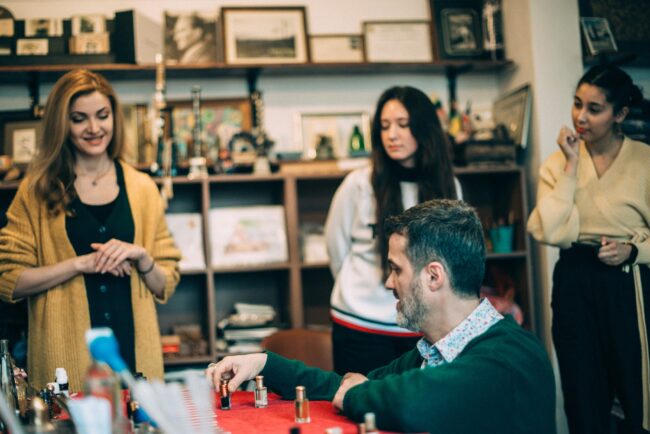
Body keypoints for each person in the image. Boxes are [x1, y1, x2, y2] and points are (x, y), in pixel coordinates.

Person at [207, 199, 556, 433]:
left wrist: (357, 394)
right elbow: (341, 387)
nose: (388, 283)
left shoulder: (510, 356)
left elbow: (411, 402)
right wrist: (263, 363)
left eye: (395, 269)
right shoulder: (430, 352)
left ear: (434, 277)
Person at [0, 69, 181, 391]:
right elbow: (8, 280)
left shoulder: (142, 188)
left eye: (103, 115)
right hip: (66, 365)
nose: (94, 128)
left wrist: (143, 258)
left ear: (114, 117)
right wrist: (79, 264)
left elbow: (165, 283)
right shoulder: (36, 191)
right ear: (62, 124)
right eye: (79, 118)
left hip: (136, 362)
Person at [527, 65, 650, 434]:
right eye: (577, 104)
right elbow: (548, 229)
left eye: (594, 109)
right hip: (575, 280)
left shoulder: (644, 160)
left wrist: (633, 250)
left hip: (630, 281)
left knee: (635, 389)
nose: (580, 117)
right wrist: (571, 164)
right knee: (582, 388)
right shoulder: (557, 163)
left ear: (621, 115)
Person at [324, 85, 461, 375]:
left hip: (424, 327)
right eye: (384, 126)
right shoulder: (358, 184)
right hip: (359, 324)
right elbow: (336, 249)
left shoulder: (448, 187)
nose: (392, 135)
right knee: (360, 411)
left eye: (403, 124)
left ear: (424, 129)